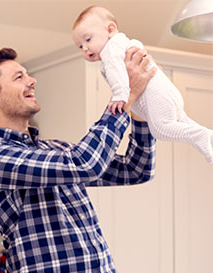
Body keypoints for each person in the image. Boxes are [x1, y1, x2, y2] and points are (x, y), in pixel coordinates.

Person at [0, 47, 156, 273]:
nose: (32, 81)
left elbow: (135, 169)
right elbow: (85, 164)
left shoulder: (55, 150)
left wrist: (140, 113)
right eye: (19, 77)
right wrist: (124, 96)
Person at [72, 5, 213, 163]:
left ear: (110, 30)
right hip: (167, 92)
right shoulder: (124, 43)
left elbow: (116, 74)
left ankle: (202, 135)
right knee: (182, 121)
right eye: (80, 46)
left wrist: (120, 95)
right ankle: (208, 137)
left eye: (88, 39)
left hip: (157, 96)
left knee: (160, 129)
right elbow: (136, 45)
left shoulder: (109, 51)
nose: (85, 48)